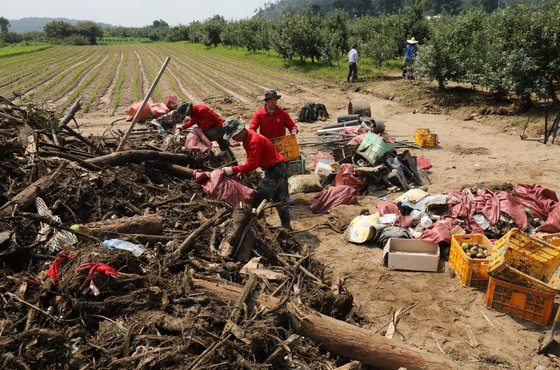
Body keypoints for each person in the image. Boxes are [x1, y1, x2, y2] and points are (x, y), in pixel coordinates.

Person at [222, 118, 292, 230]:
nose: (233, 138)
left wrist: (231, 169)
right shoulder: (249, 137)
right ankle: (286, 226)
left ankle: (261, 228)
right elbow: (252, 159)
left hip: (276, 171)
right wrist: (240, 170)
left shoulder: (253, 141)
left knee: (257, 199)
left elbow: (252, 166)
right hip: (279, 168)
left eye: (233, 135)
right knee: (280, 199)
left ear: (240, 131)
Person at [250, 89, 298, 204]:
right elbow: (252, 129)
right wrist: (256, 137)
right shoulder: (259, 114)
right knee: (269, 171)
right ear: (266, 101)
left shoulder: (282, 113)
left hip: (281, 146)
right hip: (267, 147)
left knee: (283, 171)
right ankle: (271, 196)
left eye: (275, 99)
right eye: (270, 100)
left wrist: (293, 130)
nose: (273, 102)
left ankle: (286, 196)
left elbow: (292, 125)